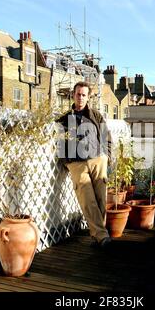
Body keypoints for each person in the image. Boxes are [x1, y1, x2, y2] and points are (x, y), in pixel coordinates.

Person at [56, 81, 112, 249]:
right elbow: (60, 144)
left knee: (101, 198)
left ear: (88, 97)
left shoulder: (96, 116)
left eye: (83, 94)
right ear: (73, 95)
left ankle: (98, 236)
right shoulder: (64, 119)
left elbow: (107, 138)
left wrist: (107, 157)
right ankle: (102, 236)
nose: (80, 97)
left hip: (97, 160)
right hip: (77, 164)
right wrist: (69, 162)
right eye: (78, 94)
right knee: (87, 200)